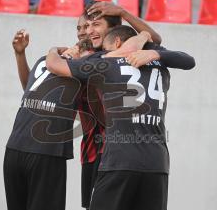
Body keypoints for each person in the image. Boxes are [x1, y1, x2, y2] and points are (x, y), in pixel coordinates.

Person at [45, 25, 195, 210]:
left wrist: (53, 50)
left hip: (119, 162)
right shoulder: (160, 62)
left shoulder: (106, 62)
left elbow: (53, 65)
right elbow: (189, 60)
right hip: (157, 164)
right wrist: (152, 47)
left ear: (117, 43)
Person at [3, 31, 96, 210]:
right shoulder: (44, 61)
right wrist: (20, 55)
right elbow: (29, 87)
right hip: (15, 147)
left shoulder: (78, 68)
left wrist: (53, 51)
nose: (76, 52)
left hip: (48, 150)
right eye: (76, 47)